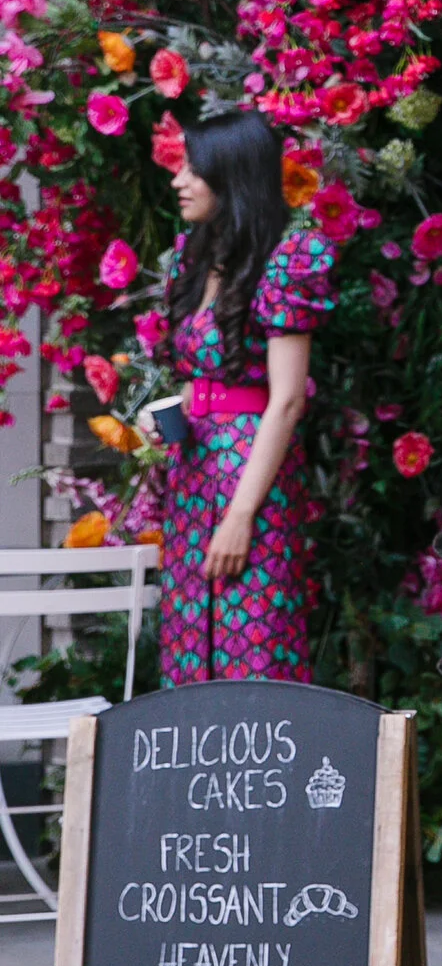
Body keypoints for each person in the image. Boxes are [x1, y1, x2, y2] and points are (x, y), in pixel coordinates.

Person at [151, 109, 336, 684]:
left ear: (232, 176)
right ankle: (192, 775)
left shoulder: (284, 262)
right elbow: (197, 372)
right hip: (193, 471)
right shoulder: (197, 256)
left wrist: (241, 514)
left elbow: (285, 401)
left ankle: (264, 774)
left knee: (251, 636)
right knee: (189, 638)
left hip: (247, 474)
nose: (179, 180)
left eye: (193, 169)